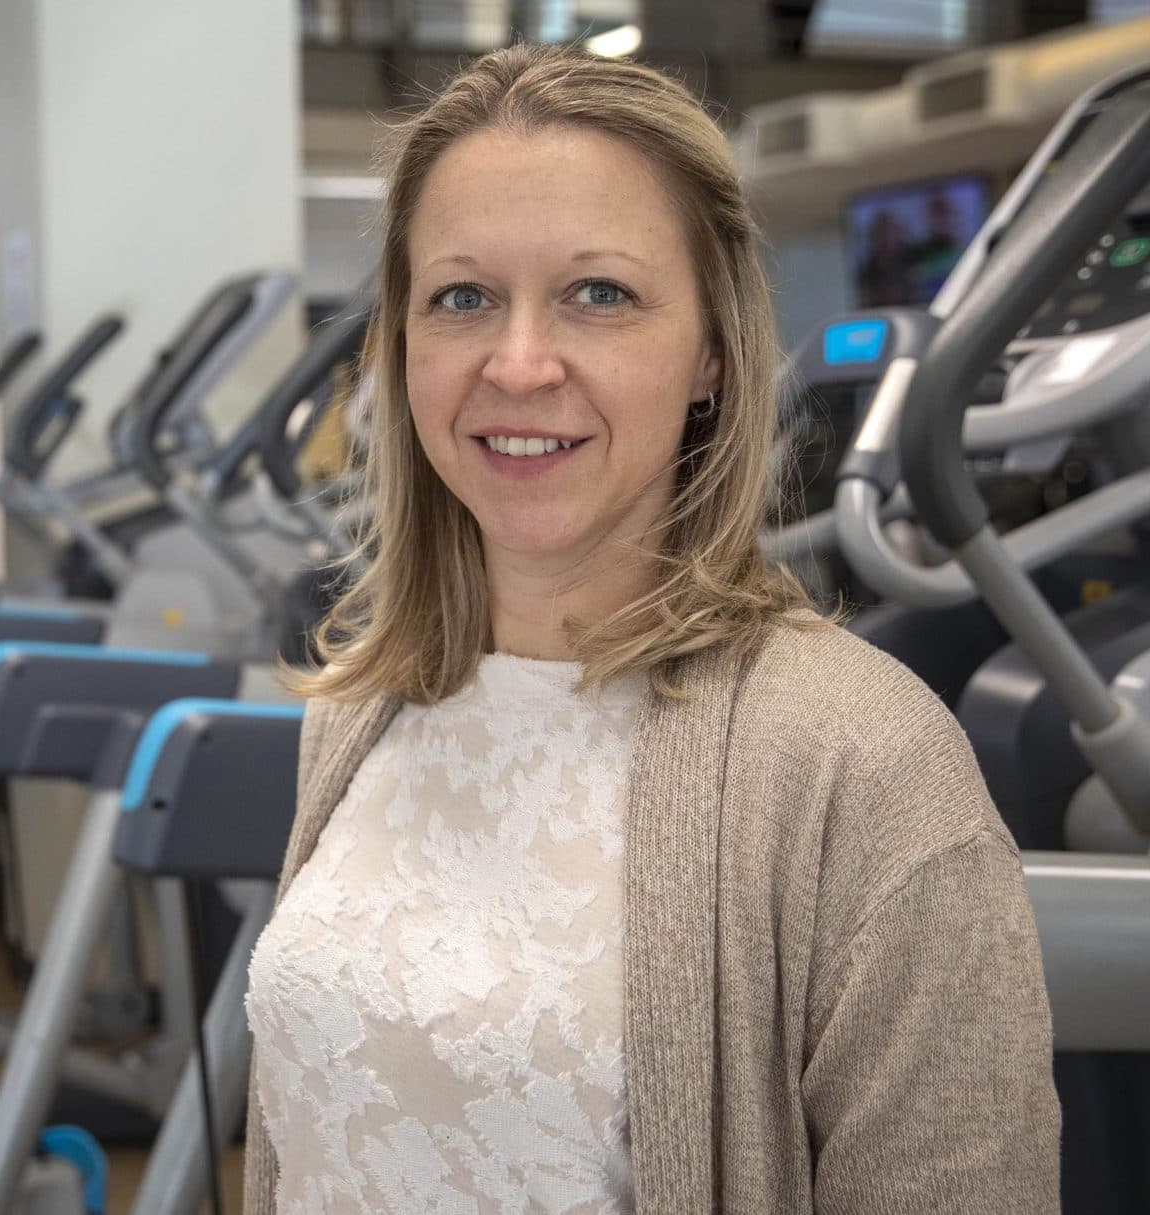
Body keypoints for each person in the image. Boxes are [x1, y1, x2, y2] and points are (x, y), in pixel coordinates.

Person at [242, 44, 1058, 1214]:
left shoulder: (863, 762)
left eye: (600, 294)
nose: (519, 364)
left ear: (711, 356)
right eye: (462, 297)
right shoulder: (366, 712)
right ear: (402, 342)